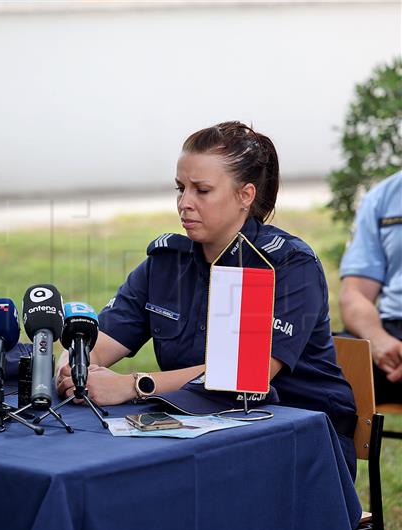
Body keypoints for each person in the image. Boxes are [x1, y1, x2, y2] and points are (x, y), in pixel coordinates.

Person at [56, 121, 358, 477]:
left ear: (245, 196)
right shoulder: (166, 263)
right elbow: (101, 340)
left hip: (295, 440)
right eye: (180, 188)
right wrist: (74, 366)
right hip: (197, 433)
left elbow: (244, 375)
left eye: (202, 190)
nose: (184, 203)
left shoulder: (287, 266)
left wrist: (131, 385)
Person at [339, 171, 402, 404]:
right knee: (322, 366)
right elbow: (353, 294)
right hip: (392, 343)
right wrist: (379, 342)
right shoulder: (382, 198)